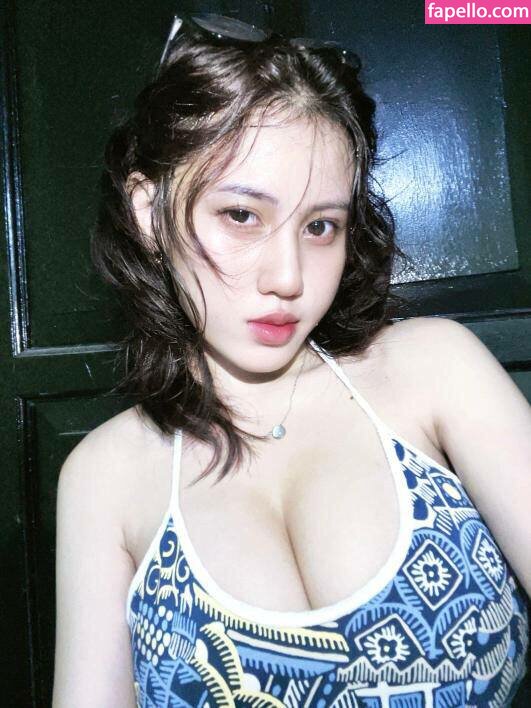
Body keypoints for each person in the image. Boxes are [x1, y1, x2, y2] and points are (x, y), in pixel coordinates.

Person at [52, 13, 530, 707]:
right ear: (149, 212)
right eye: (241, 215)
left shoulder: (435, 371)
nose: (288, 277)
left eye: (320, 226)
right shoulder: (103, 478)